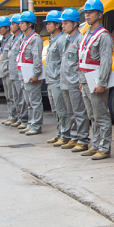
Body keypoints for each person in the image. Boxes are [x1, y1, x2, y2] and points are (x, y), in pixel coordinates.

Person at [77, 0, 114, 160]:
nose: (87, 15)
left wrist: (102, 82)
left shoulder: (103, 36)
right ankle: (96, 145)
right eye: (86, 12)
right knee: (92, 115)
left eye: (91, 12)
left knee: (101, 115)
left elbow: (106, 61)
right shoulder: (87, 34)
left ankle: (104, 148)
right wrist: (81, 81)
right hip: (85, 79)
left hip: (96, 79)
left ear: (99, 14)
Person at [58, 8, 91, 151]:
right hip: (65, 81)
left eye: (66, 23)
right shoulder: (67, 40)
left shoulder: (80, 40)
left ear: (75, 24)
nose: (63, 26)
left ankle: (83, 139)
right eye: (62, 23)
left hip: (75, 82)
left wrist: (80, 81)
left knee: (79, 112)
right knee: (70, 112)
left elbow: (81, 63)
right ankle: (74, 136)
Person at [43, 10, 71, 145]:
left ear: (57, 25)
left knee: (61, 109)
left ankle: (65, 135)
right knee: (55, 109)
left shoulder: (61, 40)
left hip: (57, 80)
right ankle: (59, 132)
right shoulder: (53, 40)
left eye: (49, 23)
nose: (47, 26)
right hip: (50, 79)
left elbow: (63, 61)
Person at [17, 11, 44, 136]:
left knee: (35, 101)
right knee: (29, 101)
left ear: (30, 24)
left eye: (22, 23)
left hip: (31, 74)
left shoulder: (35, 39)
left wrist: (36, 74)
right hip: (24, 73)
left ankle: (36, 125)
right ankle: (31, 123)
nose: (20, 25)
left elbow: (36, 58)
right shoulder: (24, 38)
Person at [7, 14, 29, 129]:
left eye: (14, 24)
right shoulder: (12, 38)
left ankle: (24, 119)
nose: (11, 26)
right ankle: (19, 117)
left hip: (18, 72)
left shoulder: (21, 38)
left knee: (21, 98)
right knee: (14, 97)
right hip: (12, 72)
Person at [0, 17, 17, 125]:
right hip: (4, 71)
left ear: (7, 28)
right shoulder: (3, 40)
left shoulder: (11, 39)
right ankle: (11, 115)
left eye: (1, 28)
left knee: (12, 96)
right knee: (8, 96)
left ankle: (15, 116)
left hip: (9, 71)